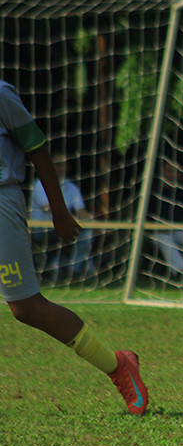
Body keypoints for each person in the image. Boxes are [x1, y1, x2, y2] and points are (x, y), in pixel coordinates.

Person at [0, 79, 148, 414]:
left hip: (2, 198)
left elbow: (37, 149)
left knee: (27, 308)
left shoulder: (1, 94)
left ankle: (119, 366)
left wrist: (59, 210)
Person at [30, 152, 93, 280]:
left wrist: (94, 221)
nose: (60, 167)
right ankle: (55, 269)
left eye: (63, 165)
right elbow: (48, 208)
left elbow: (81, 210)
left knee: (87, 234)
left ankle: (74, 271)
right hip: (42, 230)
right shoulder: (40, 184)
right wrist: (70, 219)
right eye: (57, 164)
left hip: (62, 226)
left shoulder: (71, 187)